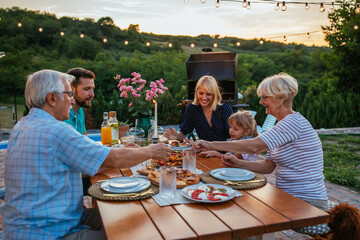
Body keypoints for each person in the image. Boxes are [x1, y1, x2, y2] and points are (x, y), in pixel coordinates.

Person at [0, 69, 172, 240]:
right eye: (69, 94)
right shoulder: (55, 130)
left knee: (131, 215)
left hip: (32, 224)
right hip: (50, 231)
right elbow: (114, 159)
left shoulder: (22, 125)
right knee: (137, 231)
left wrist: (133, 151)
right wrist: (150, 151)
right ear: (52, 98)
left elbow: (94, 155)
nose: (72, 100)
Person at [194, 73, 328, 211]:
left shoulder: (293, 123)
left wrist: (210, 144)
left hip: (307, 201)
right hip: (288, 196)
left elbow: (254, 146)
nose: (261, 102)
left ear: (280, 98)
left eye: (265, 97)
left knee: (251, 213)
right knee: (246, 209)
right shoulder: (282, 126)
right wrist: (238, 163)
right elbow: (268, 166)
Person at [165, 75, 233, 141]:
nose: (204, 97)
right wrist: (176, 136)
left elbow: (233, 138)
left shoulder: (224, 109)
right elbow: (183, 134)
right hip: (203, 151)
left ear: (214, 94)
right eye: (201, 93)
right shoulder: (193, 109)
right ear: (196, 92)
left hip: (224, 151)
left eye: (208, 94)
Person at [64, 67, 95, 135]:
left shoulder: (79, 110)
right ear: (71, 89)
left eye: (92, 89)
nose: (92, 94)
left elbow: (85, 140)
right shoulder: (62, 115)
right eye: (87, 89)